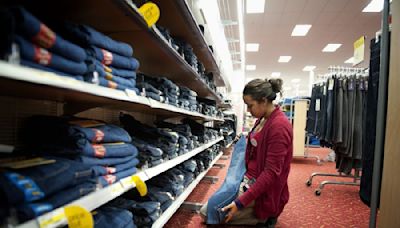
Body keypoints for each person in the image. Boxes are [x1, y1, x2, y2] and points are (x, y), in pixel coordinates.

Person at [201, 78, 293, 227]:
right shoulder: (262, 119)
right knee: (207, 211)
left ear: (263, 101)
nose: (248, 111)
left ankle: (268, 215)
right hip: (247, 179)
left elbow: (271, 173)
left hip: (263, 191)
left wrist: (240, 203)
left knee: (211, 214)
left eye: (250, 106)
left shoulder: (279, 127)